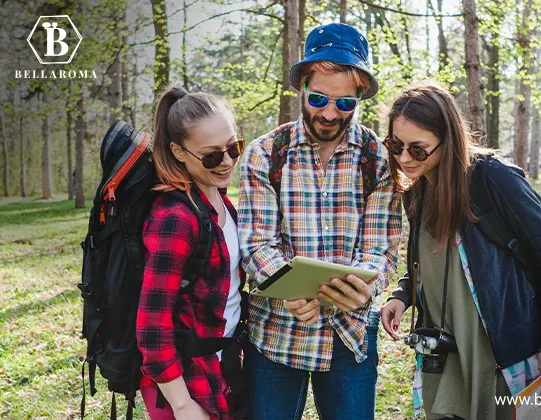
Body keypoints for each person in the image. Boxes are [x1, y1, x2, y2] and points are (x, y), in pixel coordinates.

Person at [379, 82, 541, 420]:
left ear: (447, 140)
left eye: (418, 149)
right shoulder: (417, 189)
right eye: (395, 145)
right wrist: (402, 293)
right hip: (444, 354)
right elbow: (431, 260)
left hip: (497, 354)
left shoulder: (492, 180)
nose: (404, 158)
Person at [238, 23, 402, 420]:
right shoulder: (265, 153)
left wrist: (366, 287)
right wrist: (290, 290)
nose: (330, 113)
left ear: (360, 95)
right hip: (277, 333)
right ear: (301, 89)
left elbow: (380, 248)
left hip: (351, 336)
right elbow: (256, 244)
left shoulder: (378, 159)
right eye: (318, 99)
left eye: (345, 103)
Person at [136, 86, 246, 420]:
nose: (226, 161)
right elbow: (151, 325)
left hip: (223, 365)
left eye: (233, 147)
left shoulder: (222, 202)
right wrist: (182, 404)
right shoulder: (175, 218)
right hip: (186, 380)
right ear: (179, 152)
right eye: (212, 155)